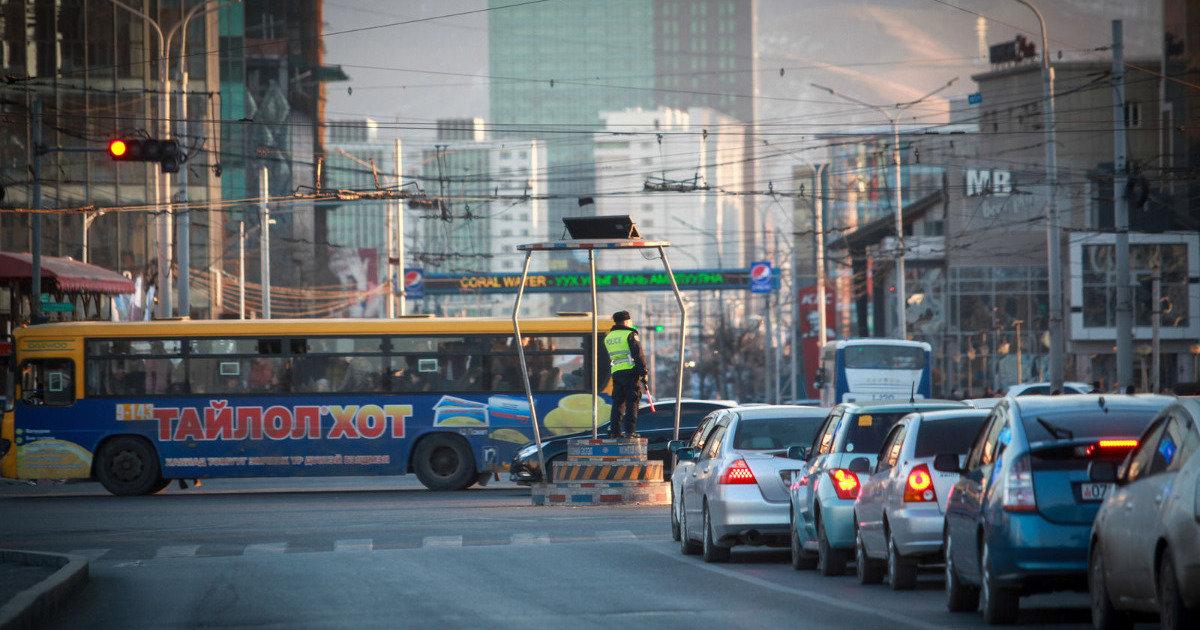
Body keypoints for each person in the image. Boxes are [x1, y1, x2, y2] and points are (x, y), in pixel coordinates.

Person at [604, 310, 648, 438]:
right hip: (631, 372)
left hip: (616, 373)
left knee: (618, 403)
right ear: (627, 321)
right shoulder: (630, 334)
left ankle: (615, 432)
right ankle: (630, 432)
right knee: (632, 402)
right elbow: (638, 354)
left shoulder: (609, 337)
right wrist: (644, 372)